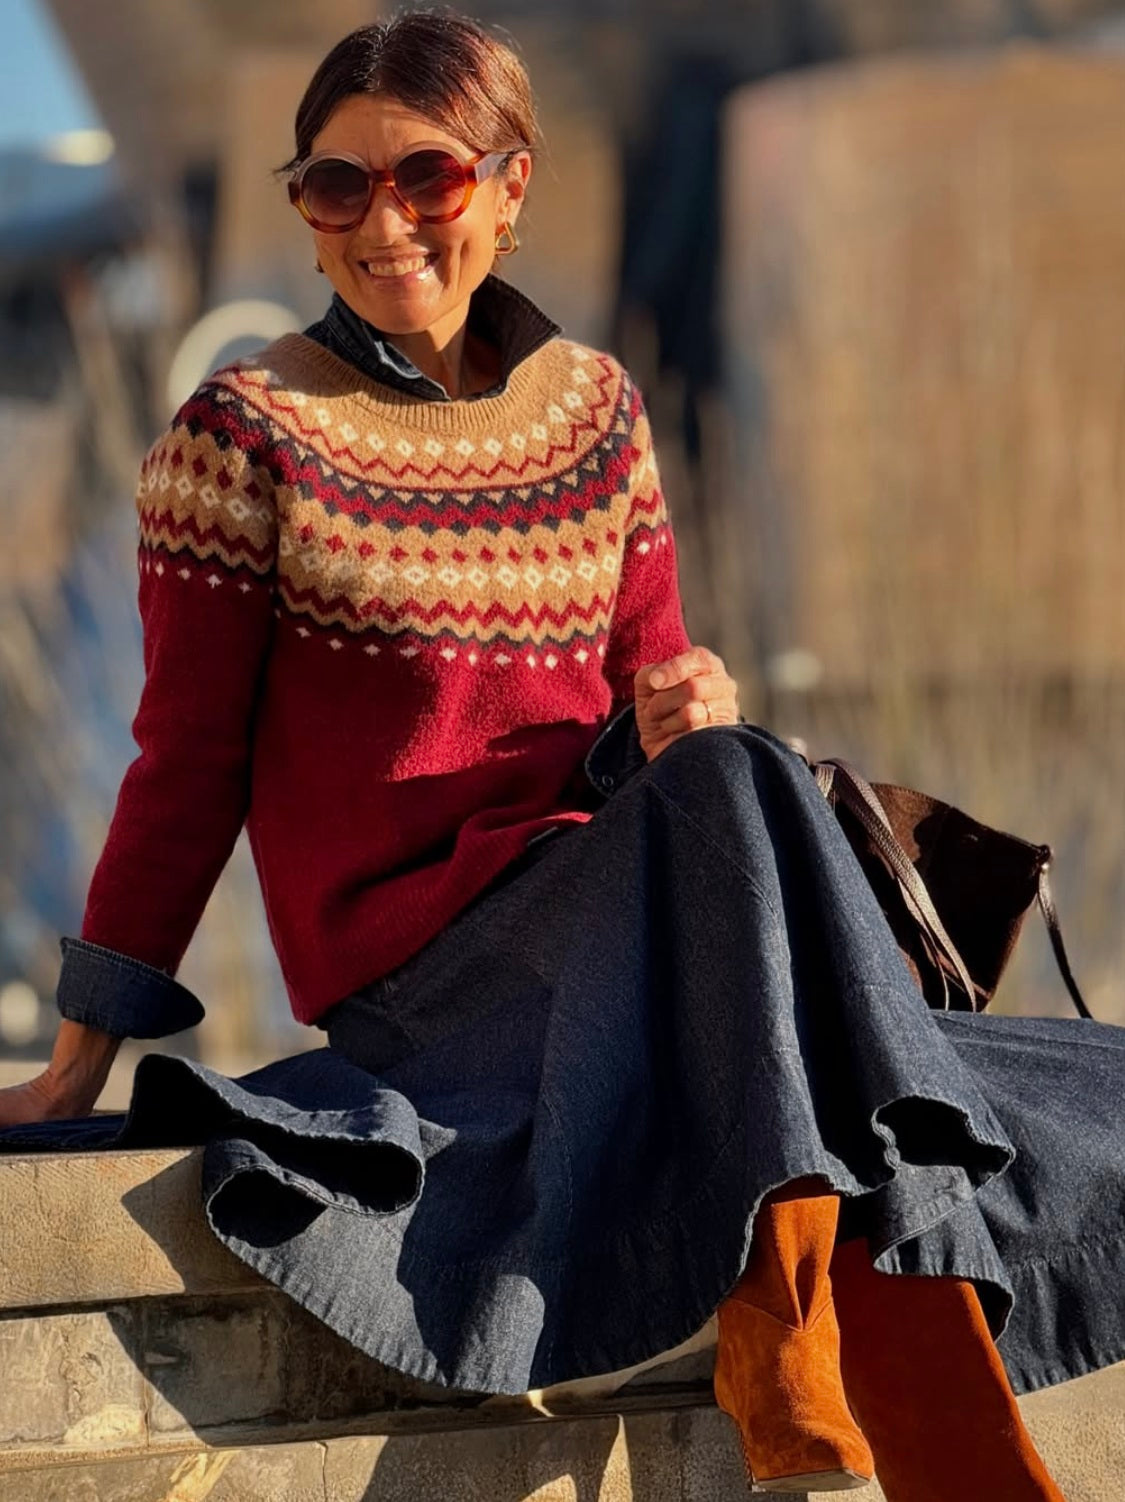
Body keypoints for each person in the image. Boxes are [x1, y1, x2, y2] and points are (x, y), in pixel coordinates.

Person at [1, 11, 1121, 1498]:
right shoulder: (244, 438)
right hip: (424, 986)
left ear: (509, 188)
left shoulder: (597, 416)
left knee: (738, 767)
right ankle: (866, 1380)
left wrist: (678, 723)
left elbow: (640, 715)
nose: (380, 224)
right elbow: (183, 766)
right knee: (740, 805)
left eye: (427, 181)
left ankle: (801, 1324)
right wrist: (85, 1046)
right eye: (334, 188)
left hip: (617, 935)